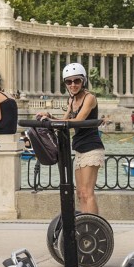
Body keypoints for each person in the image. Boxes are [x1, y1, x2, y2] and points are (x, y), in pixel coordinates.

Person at [45, 62, 104, 216]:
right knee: (80, 194)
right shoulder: (71, 100)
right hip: (79, 147)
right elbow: (64, 121)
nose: (73, 85)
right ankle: (85, 225)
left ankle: (93, 227)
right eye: (69, 82)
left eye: (77, 81)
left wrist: (54, 122)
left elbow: (78, 120)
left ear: (83, 81)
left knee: (87, 193)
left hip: (91, 147)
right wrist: (49, 117)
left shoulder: (89, 98)